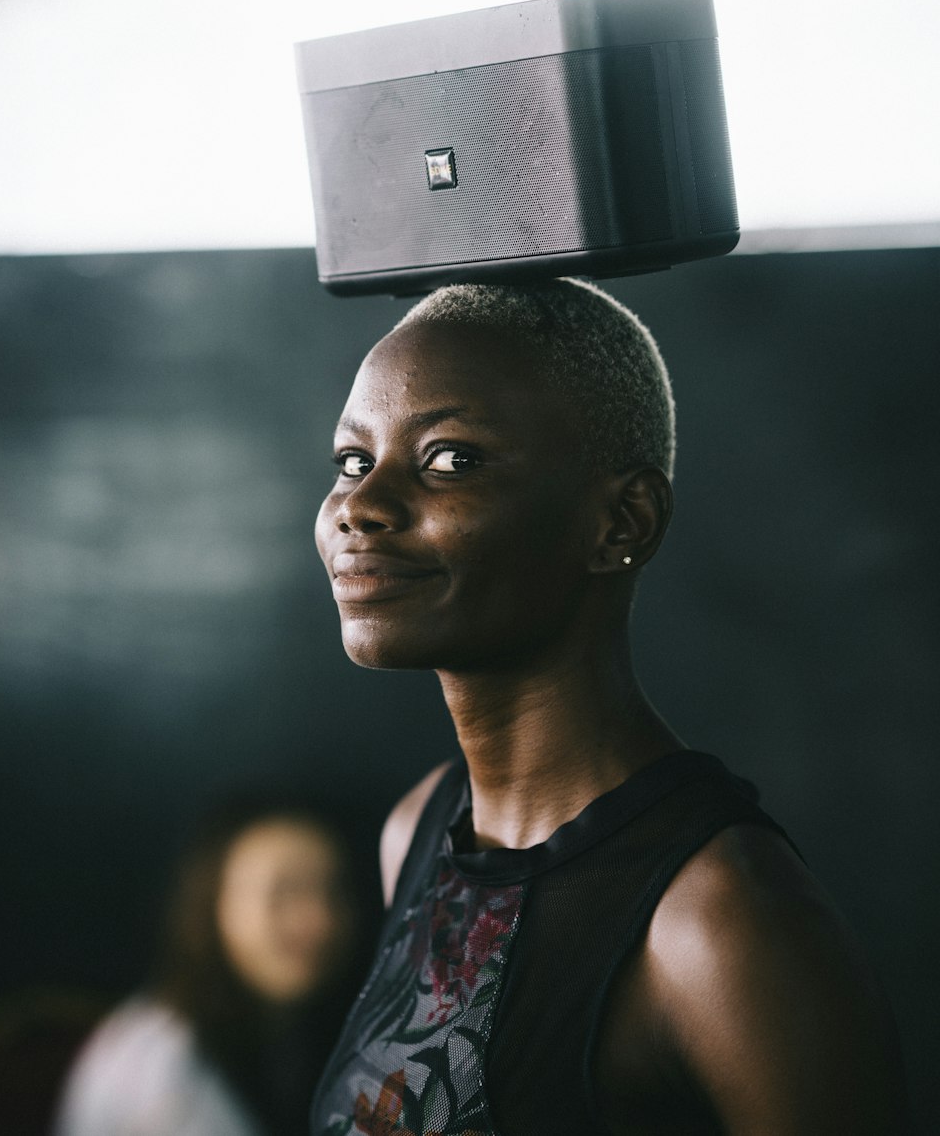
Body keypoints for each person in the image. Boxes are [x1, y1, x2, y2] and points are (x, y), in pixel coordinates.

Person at [310, 278, 910, 1136]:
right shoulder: (418, 832)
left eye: (450, 459)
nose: (359, 507)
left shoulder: (718, 920)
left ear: (621, 521)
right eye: (353, 461)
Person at [56, 799, 357, 1136]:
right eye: (285, 892)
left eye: (334, 890)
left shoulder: (295, 1039)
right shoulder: (162, 1066)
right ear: (212, 902)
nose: (321, 920)